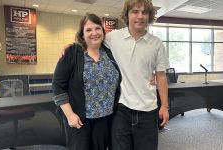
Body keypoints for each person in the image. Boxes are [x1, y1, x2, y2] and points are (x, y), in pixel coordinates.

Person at [60, 0, 169, 149]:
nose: (140, 16)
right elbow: (91, 39)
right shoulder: (113, 37)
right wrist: (71, 46)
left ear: (149, 16)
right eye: (135, 12)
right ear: (127, 15)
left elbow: (161, 76)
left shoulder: (157, 44)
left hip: (148, 109)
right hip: (120, 110)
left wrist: (164, 106)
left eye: (144, 12)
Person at [52, 13, 121, 150]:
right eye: (88, 30)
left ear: (103, 31)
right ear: (82, 34)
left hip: (105, 118)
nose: (94, 33)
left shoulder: (110, 53)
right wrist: (70, 115)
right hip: (79, 119)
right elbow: (58, 86)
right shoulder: (72, 53)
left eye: (97, 28)